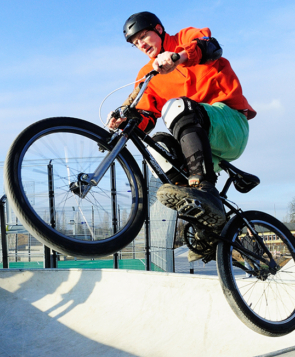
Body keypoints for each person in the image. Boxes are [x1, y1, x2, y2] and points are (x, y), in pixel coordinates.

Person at [109, 12, 256, 231]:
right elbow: (145, 118)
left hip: (230, 125)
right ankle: (206, 227)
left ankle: (205, 188)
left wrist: (178, 57)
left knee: (178, 107)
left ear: (158, 29)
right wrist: (124, 122)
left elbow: (210, 47)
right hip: (198, 143)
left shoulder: (183, 39)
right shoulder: (148, 73)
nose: (141, 44)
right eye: (135, 42)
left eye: (143, 36)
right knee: (157, 144)